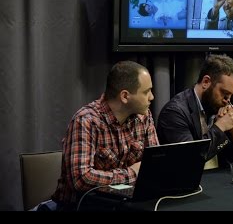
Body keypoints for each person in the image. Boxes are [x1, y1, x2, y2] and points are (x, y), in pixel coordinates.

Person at [52, 61, 159, 211]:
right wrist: (132, 173)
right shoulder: (86, 121)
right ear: (125, 96)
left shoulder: (143, 116)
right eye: (146, 92)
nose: (152, 97)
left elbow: (155, 164)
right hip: (79, 207)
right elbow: (81, 179)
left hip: (126, 205)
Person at [156, 54, 233, 168]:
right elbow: (189, 159)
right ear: (206, 82)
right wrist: (220, 127)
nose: (228, 101)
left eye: (231, 95)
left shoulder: (217, 108)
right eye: (224, 94)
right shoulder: (174, 112)